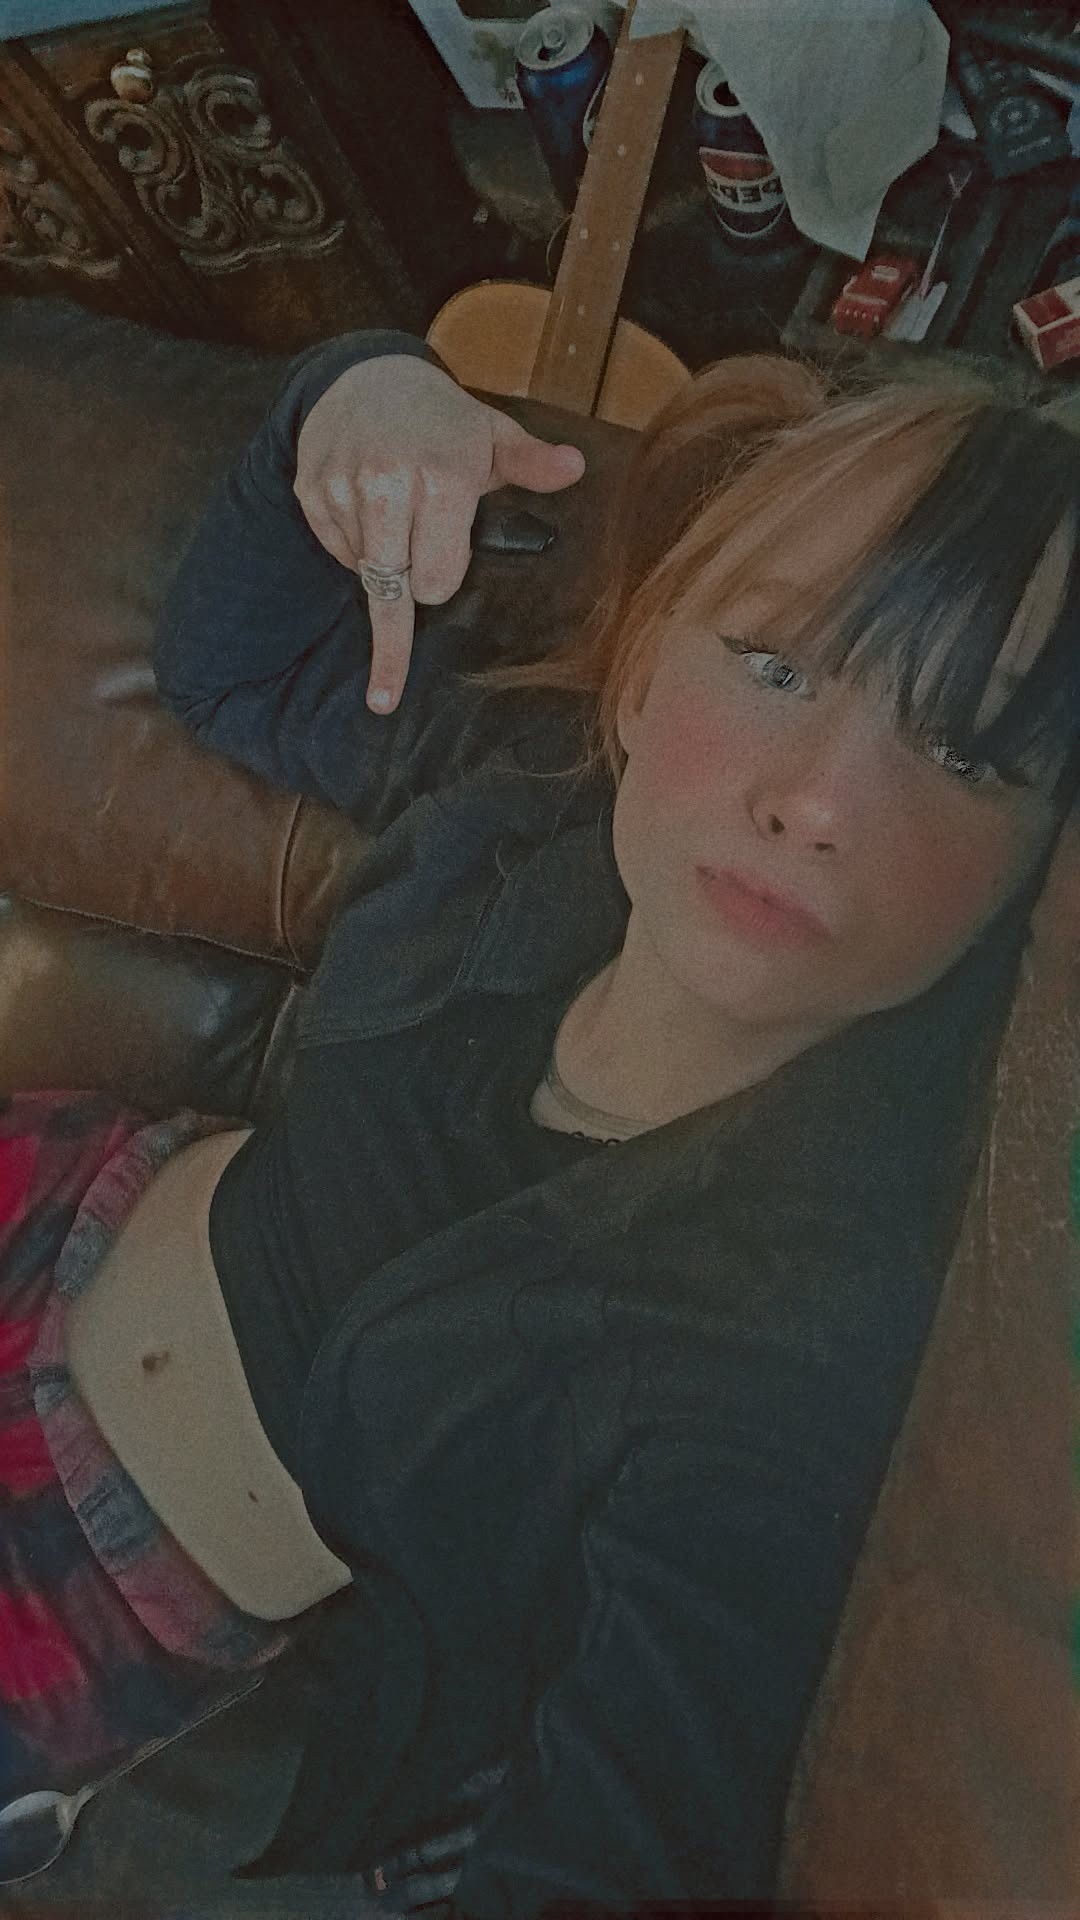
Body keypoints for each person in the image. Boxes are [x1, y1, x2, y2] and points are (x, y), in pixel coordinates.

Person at [1, 326, 1079, 1917]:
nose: (820, 801)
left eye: (966, 752)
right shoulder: (526, 808)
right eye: (776, 663)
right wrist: (352, 394)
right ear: (642, 671)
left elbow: (622, 1837)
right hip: (60, 1185)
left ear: (1031, 879)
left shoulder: (787, 1356)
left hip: (81, 1582)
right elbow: (239, 665)